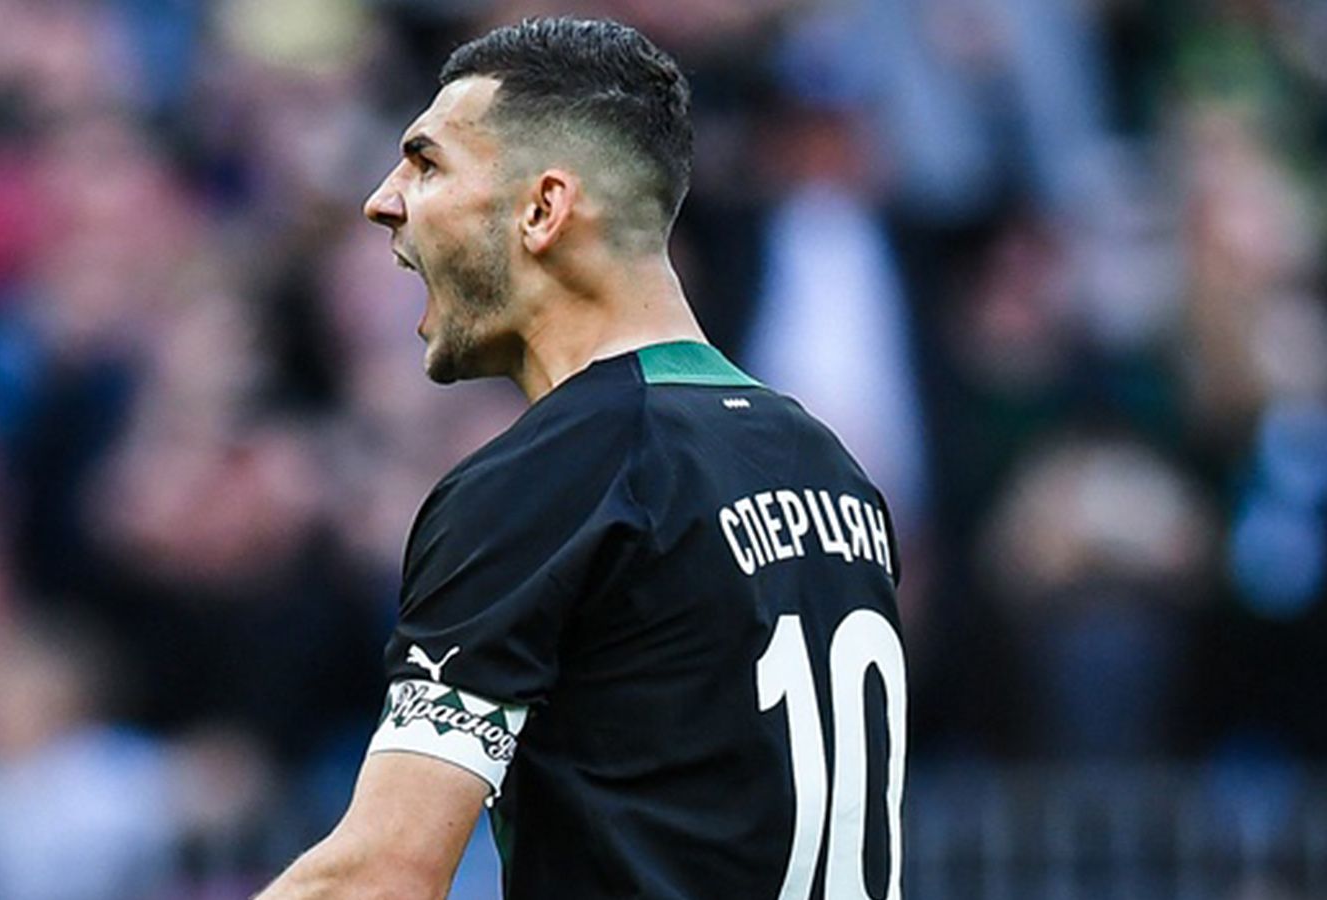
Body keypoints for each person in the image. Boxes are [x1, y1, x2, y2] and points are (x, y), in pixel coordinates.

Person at [254, 17, 906, 899]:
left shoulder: (552, 477)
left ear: (542, 209)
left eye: (427, 164)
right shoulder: (827, 468)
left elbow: (382, 873)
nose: (382, 199)